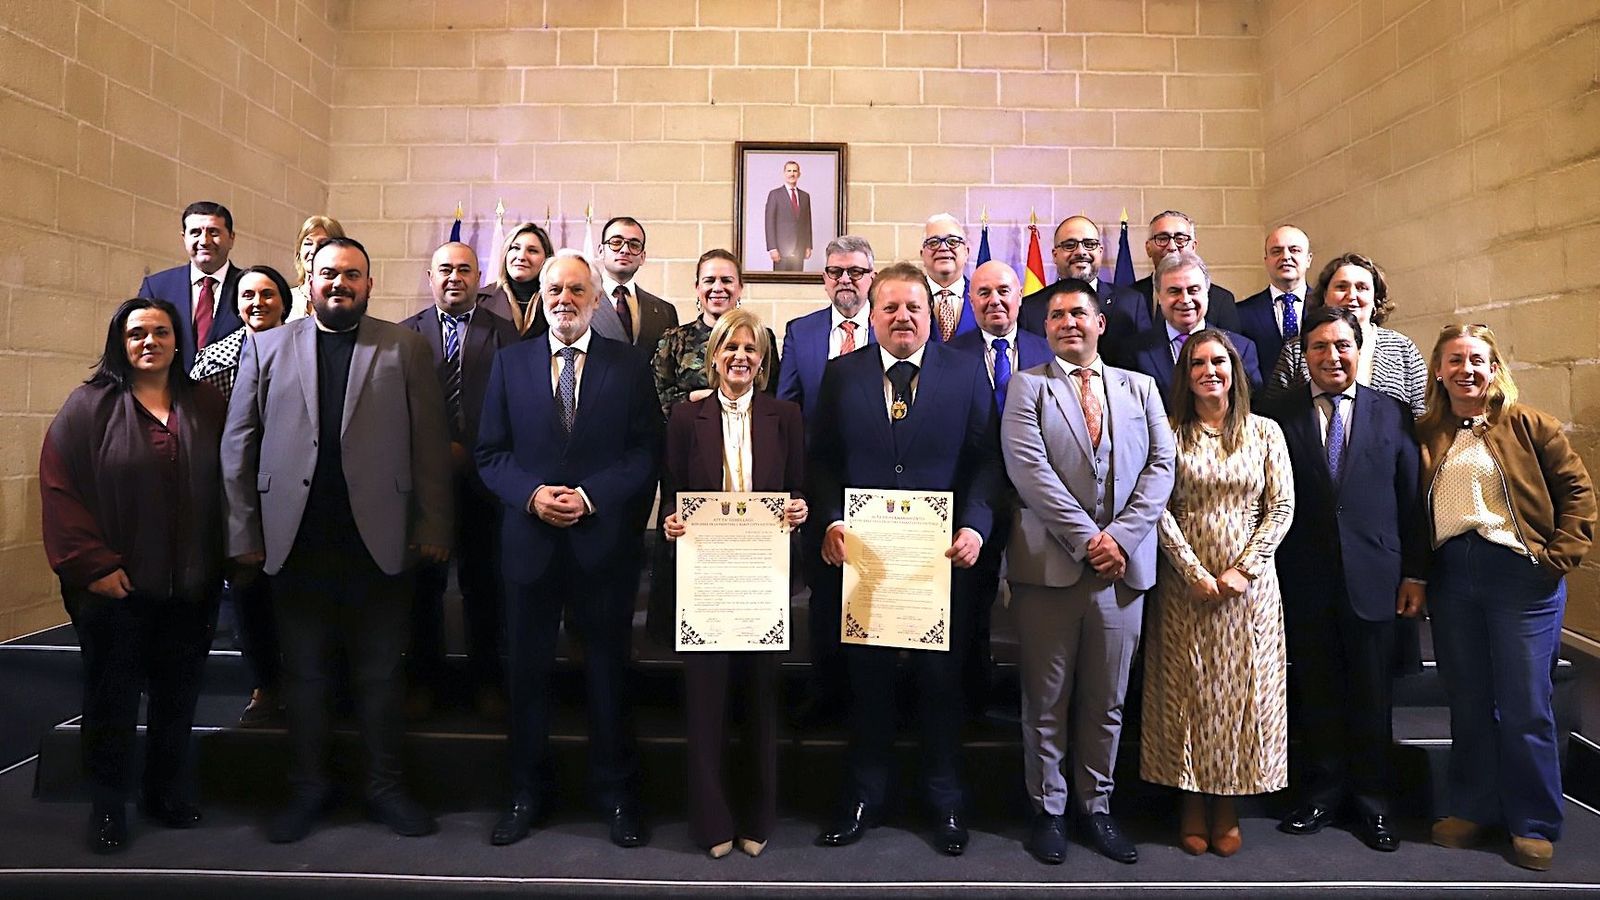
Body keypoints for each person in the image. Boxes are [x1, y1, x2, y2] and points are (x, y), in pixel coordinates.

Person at [222, 237, 453, 844]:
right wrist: (242, 531)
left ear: (369, 285)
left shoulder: (404, 346)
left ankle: (385, 787)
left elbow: (430, 445)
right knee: (303, 677)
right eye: (329, 273)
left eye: (353, 274)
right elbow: (237, 446)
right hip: (292, 544)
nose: (340, 283)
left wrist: (432, 525)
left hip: (379, 543)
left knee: (380, 678)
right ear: (310, 280)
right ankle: (308, 789)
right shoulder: (266, 346)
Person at [810, 262, 1003, 857]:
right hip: (865, 564)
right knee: (867, 684)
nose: (901, 318)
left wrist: (976, 524)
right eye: (889, 308)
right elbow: (822, 461)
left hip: (939, 562)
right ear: (871, 315)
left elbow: (988, 461)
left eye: (913, 307)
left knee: (940, 684)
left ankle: (944, 799)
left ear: (932, 315)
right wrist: (830, 521)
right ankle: (864, 794)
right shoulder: (841, 375)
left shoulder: (968, 371)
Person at [476, 250, 661, 849]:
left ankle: (616, 796)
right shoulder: (510, 365)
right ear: (540, 297)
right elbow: (490, 454)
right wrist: (531, 496)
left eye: (576, 290)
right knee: (526, 676)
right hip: (529, 546)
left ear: (596, 299)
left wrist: (589, 497)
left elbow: (643, 455)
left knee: (608, 674)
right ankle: (527, 793)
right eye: (554, 289)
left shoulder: (630, 367)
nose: (564, 298)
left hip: (601, 547)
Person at [40, 298, 227, 853]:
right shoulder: (88, 406)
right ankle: (107, 807)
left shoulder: (206, 404)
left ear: (178, 341)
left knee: (177, 697)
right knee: (112, 701)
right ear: (119, 343)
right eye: (137, 333)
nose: (150, 342)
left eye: (162, 332)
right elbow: (58, 488)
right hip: (114, 590)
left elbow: (229, 483)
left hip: (189, 586)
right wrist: (93, 566)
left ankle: (163, 794)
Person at [1001, 278, 1176, 865]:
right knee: (1046, 699)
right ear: (1044, 328)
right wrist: (1087, 539)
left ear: (1100, 322)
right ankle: (1048, 810)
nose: (1068, 322)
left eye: (1079, 312)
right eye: (1056, 316)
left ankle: (1095, 808)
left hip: (1120, 573)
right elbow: (1029, 471)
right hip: (1049, 569)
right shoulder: (1028, 386)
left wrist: (1120, 539)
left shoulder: (1142, 388)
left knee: (1107, 701)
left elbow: (1161, 466)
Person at [1419, 324, 1595, 872]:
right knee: (1467, 699)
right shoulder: (1427, 430)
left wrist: (1559, 556)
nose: (1466, 369)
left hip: (1520, 575)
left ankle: (1533, 821)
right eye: (1455, 360)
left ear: (1495, 368)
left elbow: (1577, 491)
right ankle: (1473, 807)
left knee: (1524, 703)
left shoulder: (1528, 424)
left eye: (1477, 359)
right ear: (1440, 371)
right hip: (1453, 576)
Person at [1259, 306, 1427, 854]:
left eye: (1342, 346)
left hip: (1377, 578)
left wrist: (1414, 574)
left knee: (1372, 695)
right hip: (1303, 579)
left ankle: (1374, 805)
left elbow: (1411, 500)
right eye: (1319, 348)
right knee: (1318, 693)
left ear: (1359, 351)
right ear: (1303, 355)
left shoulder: (1394, 414)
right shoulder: (1278, 416)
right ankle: (1322, 794)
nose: (1332, 357)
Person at [660, 308, 808, 858]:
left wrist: (798, 509)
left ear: (762, 360)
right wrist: (674, 523)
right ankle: (712, 820)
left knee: (760, 700)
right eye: (730, 348)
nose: (740, 357)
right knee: (706, 701)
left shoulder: (785, 415)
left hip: (763, 578)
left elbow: (797, 489)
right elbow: (675, 489)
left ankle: (758, 816)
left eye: (751, 349)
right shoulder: (683, 417)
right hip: (706, 578)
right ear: (713, 358)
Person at [1141, 329, 1294, 857]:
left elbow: (1282, 507)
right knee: (1188, 694)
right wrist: (1191, 571)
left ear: (1234, 370)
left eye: (1220, 362)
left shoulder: (1265, 432)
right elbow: (1156, 507)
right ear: (1185, 374)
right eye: (1198, 362)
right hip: (1185, 586)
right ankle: (1189, 801)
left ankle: (1228, 804)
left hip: (1248, 591)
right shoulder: (1168, 431)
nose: (1210, 371)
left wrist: (1243, 570)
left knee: (1239, 698)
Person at [398, 242, 520, 718]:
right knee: (423, 591)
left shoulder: (509, 336)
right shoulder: (404, 335)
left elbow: (516, 408)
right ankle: (423, 682)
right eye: (444, 269)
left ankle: (487, 681)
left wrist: (472, 453)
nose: (454, 277)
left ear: (478, 277)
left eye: (464, 270)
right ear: (430, 277)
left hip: (484, 482)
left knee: (484, 589)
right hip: (423, 484)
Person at [945, 260, 1053, 715]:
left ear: (1019, 296)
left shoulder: (1046, 350)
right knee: (972, 602)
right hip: (975, 497)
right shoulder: (950, 353)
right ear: (971, 300)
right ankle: (974, 700)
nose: (995, 301)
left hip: (1039, 501)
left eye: (1004, 291)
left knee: (1041, 605)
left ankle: (1036, 699)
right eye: (984, 293)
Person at [776, 235, 875, 726]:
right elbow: (788, 406)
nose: (846, 280)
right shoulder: (803, 331)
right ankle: (824, 690)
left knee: (875, 590)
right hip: (822, 482)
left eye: (856, 272)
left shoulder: (895, 324)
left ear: (870, 278)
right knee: (824, 590)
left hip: (882, 486)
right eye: (836, 272)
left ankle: (870, 697)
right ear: (824, 279)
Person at [189, 264, 294, 727]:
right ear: (236, 305)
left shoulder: (305, 352)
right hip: (239, 496)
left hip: (296, 493)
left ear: (285, 303)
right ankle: (265, 684)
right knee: (250, 594)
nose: (258, 303)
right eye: (248, 295)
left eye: (269, 295)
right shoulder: (213, 362)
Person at [1258, 252, 1428, 419]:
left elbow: (1423, 414)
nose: (1351, 296)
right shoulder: (1296, 350)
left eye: (1362, 288)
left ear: (1375, 297)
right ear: (1325, 296)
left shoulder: (1403, 348)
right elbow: (1274, 415)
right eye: (1341, 287)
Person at [652, 249, 780, 419]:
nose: (718, 288)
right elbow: (655, 400)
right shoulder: (674, 340)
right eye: (709, 280)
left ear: (740, 287)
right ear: (698, 287)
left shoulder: (761, 337)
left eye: (726, 281)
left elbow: (772, 393)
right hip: (688, 436)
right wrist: (695, 398)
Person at [1123, 250, 1262, 400]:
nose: (1185, 299)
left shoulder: (1241, 348)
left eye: (1193, 290)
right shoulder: (1135, 351)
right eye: (1174, 291)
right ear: (1159, 296)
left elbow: (1250, 406)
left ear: (1207, 294)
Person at [137, 200, 245, 369]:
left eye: (214, 232)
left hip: (231, 393)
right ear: (184, 238)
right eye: (195, 232)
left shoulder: (250, 288)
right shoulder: (157, 287)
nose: (204, 241)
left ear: (231, 238)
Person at [1017, 215, 1134, 349]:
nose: (1080, 251)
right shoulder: (1030, 308)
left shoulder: (1131, 303)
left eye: (1090, 244)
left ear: (1100, 252)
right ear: (1055, 255)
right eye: (1069, 245)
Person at [1124, 210, 1241, 335]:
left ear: (1193, 247)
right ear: (1148, 248)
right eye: (1162, 238)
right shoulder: (1127, 298)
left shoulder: (1221, 300)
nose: (1172, 247)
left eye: (1180, 239)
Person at [596, 216, 679, 352]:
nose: (625, 250)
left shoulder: (665, 311)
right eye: (616, 242)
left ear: (642, 257)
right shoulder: (582, 304)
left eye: (634, 245)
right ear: (601, 251)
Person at [1235, 225, 1312, 369]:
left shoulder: (1326, 306)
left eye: (1294, 250)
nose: (1286, 257)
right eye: (1277, 251)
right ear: (1266, 260)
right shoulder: (1242, 312)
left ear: (1308, 259)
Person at [478, 221, 555, 338]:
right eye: (515, 248)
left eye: (532, 250)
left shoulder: (556, 302)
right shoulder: (478, 301)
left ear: (547, 259)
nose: (521, 256)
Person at [922, 213, 978, 343]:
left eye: (953, 241)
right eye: (933, 242)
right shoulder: (906, 298)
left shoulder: (983, 298)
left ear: (966, 252)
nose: (943, 248)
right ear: (922, 254)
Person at [288, 215, 345, 321]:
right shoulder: (285, 299)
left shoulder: (343, 300)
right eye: (308, 243)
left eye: (322, 244)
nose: (313, 250)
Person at [763, 160, 813, 272]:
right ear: (784, 173)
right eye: (789, 171)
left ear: (799, 174)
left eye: (795, 171)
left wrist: (808, 246)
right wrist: (772, 248)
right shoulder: (775, 194)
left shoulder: (805, 196)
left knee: (797, 284)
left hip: (799, 248)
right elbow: (769, 223)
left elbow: (807, 223)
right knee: (780, 285)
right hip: (781, 250)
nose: (792, 174)